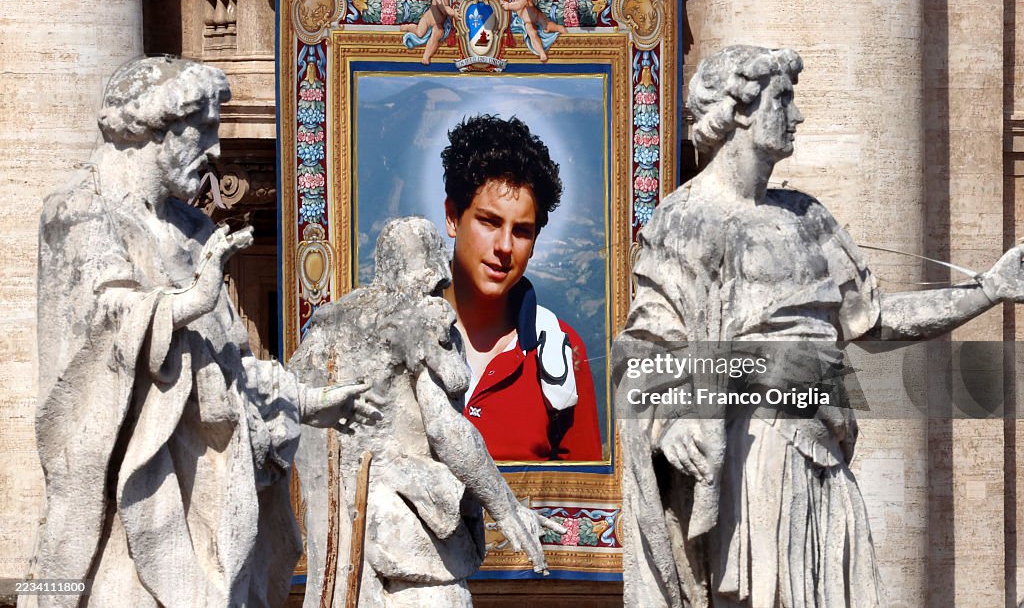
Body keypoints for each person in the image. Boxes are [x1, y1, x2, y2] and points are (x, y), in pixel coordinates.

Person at [616, 45, 1024, 607]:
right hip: (752, 449)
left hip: (822, 447)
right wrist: (670, 421)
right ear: (740, 109)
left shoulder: (809, 217)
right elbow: (646, 348)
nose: (798, 116)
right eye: (783, 100)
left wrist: (988, 290)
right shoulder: (687, 221)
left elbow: (876, 319)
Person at [26, 56, 376, 607]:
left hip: (205, 501)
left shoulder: (195, 231)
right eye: (204, 129)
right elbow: (103, 323)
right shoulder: (77, 213)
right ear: (157, 127)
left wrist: (308, 401)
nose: (215, 149)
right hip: (123, 504)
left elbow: (230, 365)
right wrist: (189, 301)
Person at [292, 217, 565, 607]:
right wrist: (506, 509)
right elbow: (447, 431)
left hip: (347, 543)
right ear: (436, 266)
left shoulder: (328, 327)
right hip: (410, 534)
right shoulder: (424, 319)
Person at [441, 114, 602, 461]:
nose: (504, 246)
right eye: (489, 221)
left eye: (521, 231)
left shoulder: (561, 351)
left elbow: (583, 506)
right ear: (453, 217)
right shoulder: (397, 338)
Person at [500, 0, 567, 63]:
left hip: (537, 17)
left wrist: (508, 6)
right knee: (532, 33)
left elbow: (519, 5)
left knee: (548, 27)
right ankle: (541, 52)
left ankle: (562, 30)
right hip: (527, 21)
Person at [401, 0, 458, 65]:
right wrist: (454, 13)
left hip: (438, 23)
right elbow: (444, 8)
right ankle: (409, 27)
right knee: (420, 33)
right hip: (427, 19)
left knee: (437, 34)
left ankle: (426, 57)